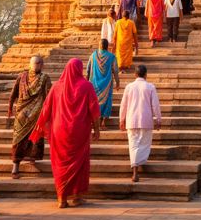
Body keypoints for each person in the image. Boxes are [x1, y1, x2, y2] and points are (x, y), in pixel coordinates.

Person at [30, 58, 100, 208]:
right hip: (79, 131)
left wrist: (40, 127)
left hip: (59, 130)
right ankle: (77, 196)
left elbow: (46, 109)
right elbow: (94, 110)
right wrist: (97, 129)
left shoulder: (56, 87)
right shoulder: (87, 86)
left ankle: (61, 198)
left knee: (60, 163)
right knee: (80, 163)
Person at [7, 56, 52, 179]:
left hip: (37, 114)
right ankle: (15, 167)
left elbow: (49, 95)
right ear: (31, 64)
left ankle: (32, 157)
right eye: (37, 63)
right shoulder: (21, 77)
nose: (39, 65)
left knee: (35, 137)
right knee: (18, 139)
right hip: (22, 113)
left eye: (40, 63)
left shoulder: (45, 78)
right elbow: (14, 93)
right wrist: (10, 107)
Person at [119, 64, 161, 183]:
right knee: (144, 144)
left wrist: (121, 119)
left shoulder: (129, 87)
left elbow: (123, 105)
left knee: (133, 145)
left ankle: (135, 171)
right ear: (146, 75)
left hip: (131, 120)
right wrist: (158, 119)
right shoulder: (150, 87)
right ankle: (137, 168)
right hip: (146, 120)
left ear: (135, 74)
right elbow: (155, 105)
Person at [86, 38, 120, 129]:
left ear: (99, 45)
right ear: (107, 46)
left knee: (94, 101)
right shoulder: (112, 57)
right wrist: (118, 82)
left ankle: (94, 122)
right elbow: (116, 71)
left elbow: (88, 70)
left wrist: (86, 82)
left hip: (94, 83)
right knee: (107, 101)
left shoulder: (93, 55)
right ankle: (103, 122)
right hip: (107, 83)